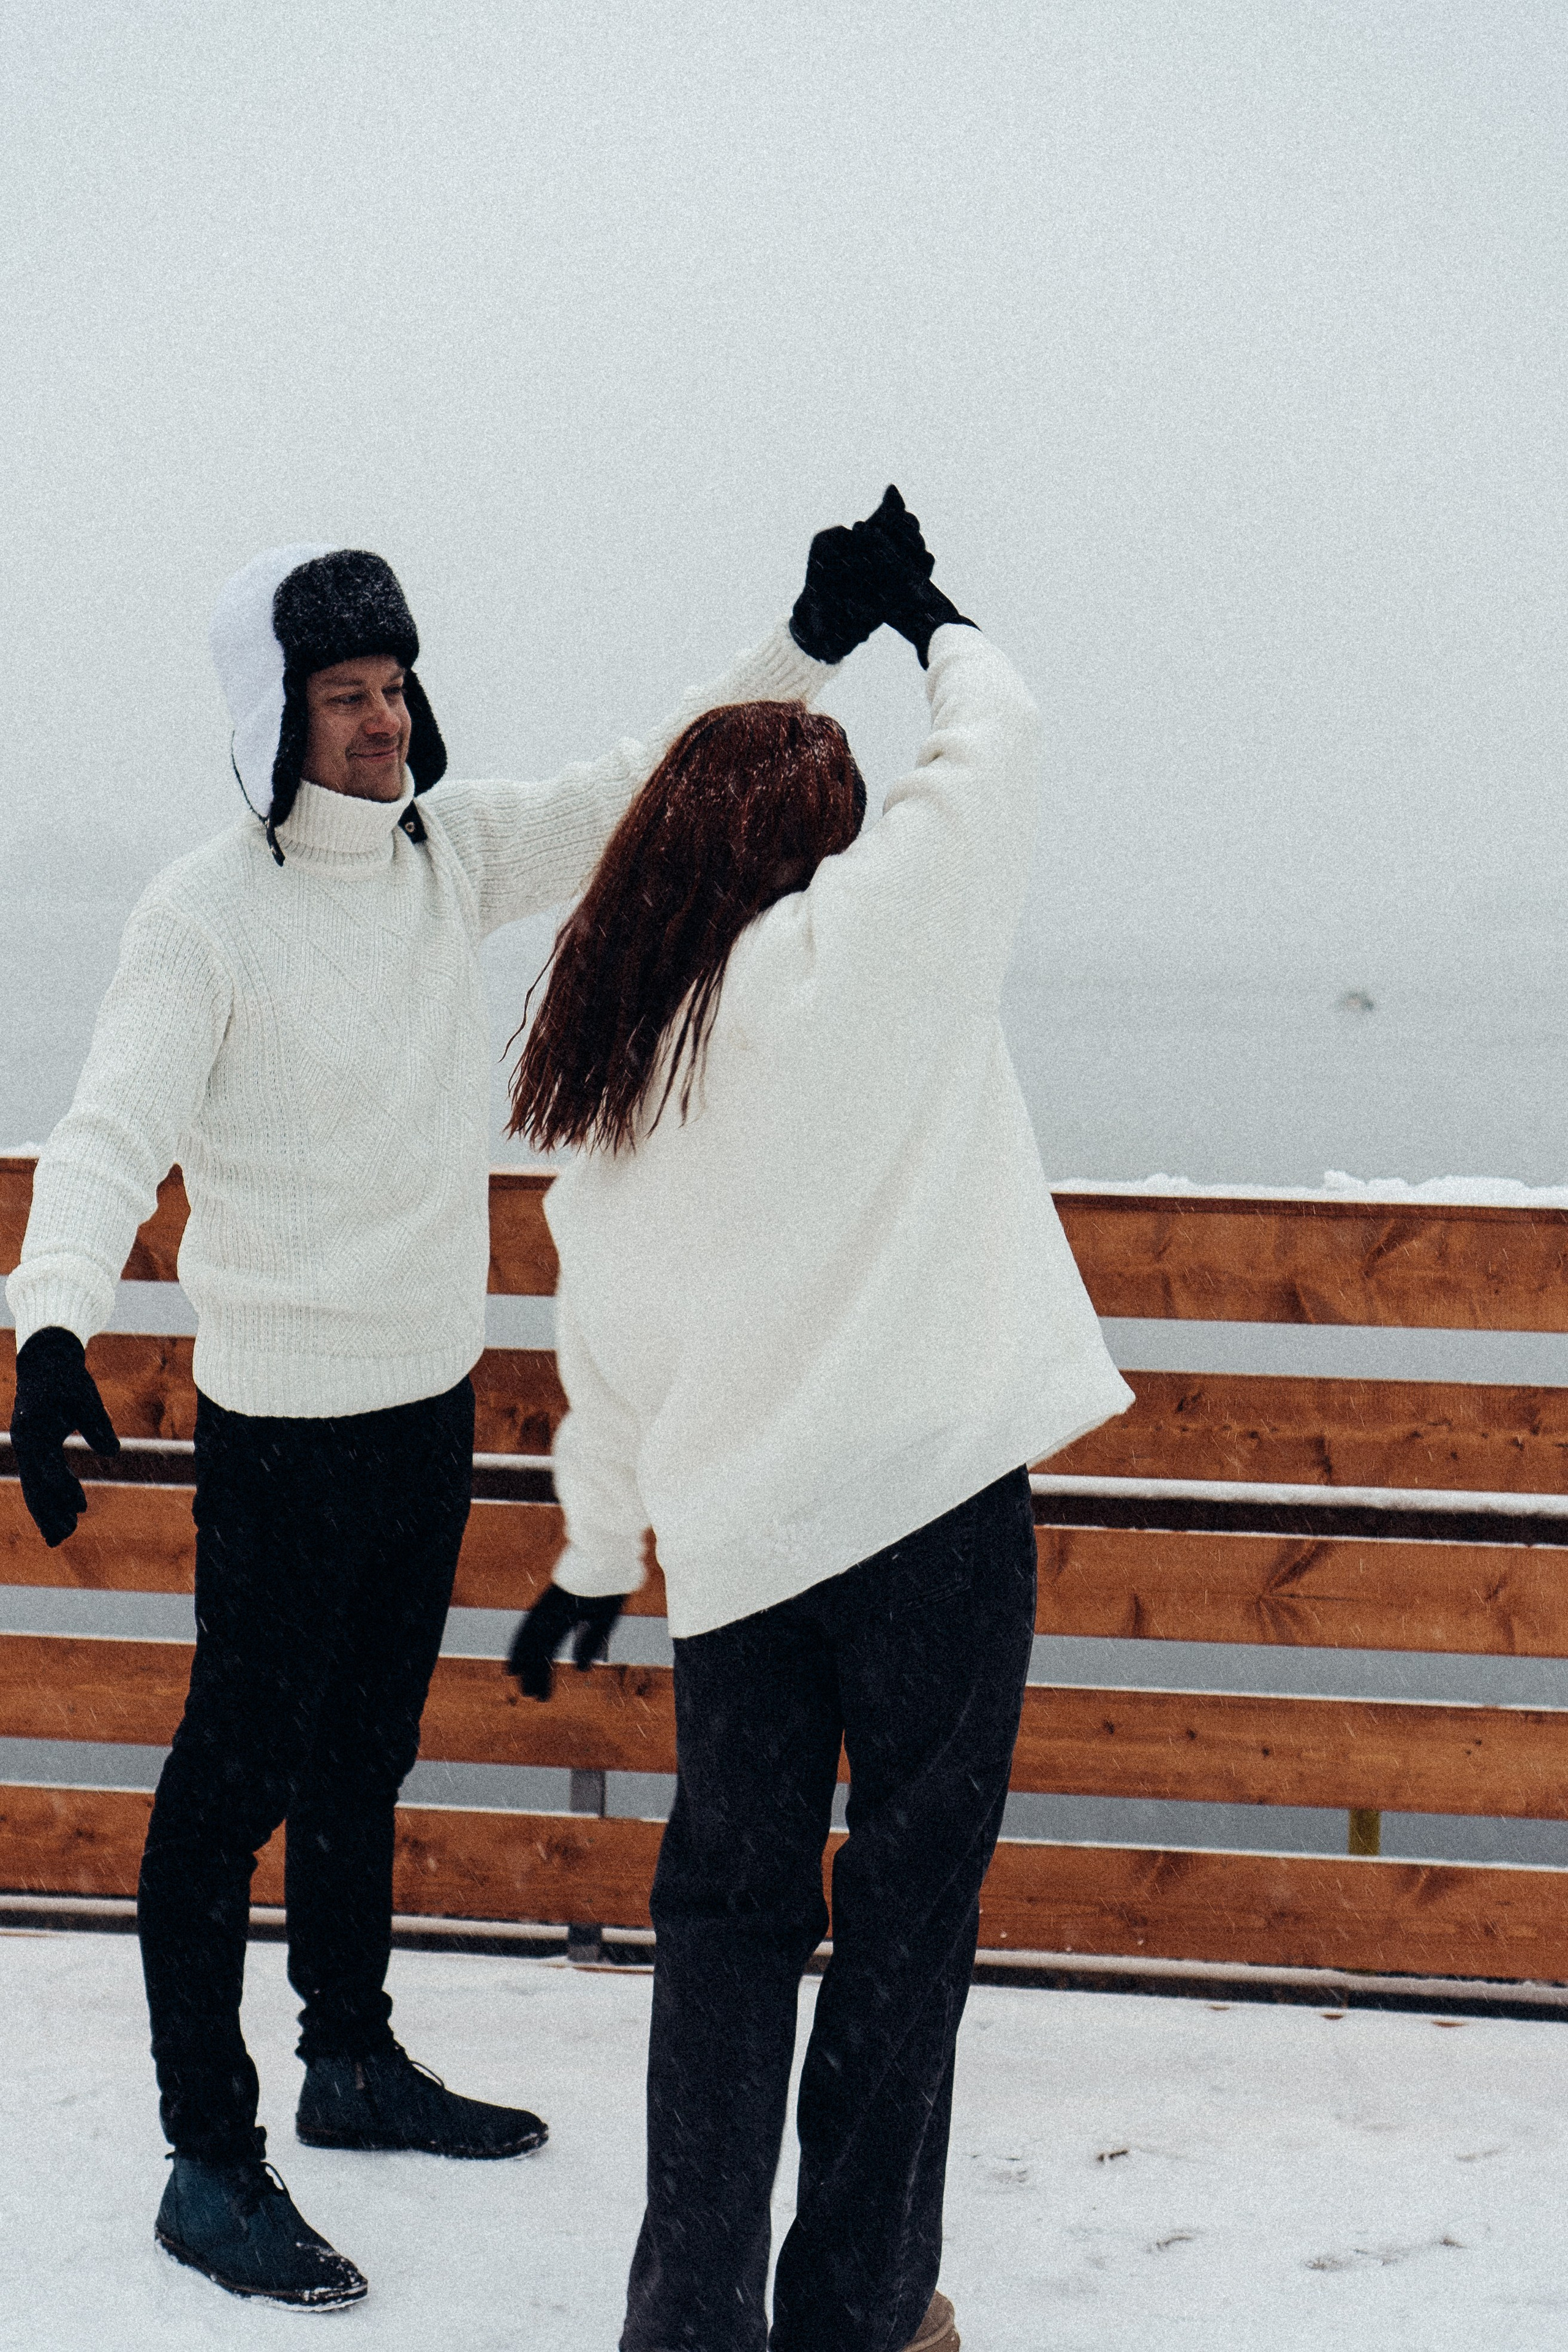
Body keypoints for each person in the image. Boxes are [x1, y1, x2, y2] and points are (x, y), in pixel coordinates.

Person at [6, 532, 848, 2309]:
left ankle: (350, 2061)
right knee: (227, 1790)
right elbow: (104, 1135)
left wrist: (810, 639)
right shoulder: (202, 917)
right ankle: (207, 2159)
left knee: (366, 1754)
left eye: (395, 687)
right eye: (344, 695)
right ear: (278, 718)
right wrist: (53, 1323)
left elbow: (648, 776)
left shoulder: (447, 861)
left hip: (421, 1413)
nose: (383, 721)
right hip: (281, 1429)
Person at [507, 488, 1134, 2352]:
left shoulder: (620, 1098)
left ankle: (686, 2320)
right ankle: (857, 2319)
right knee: (905, 1929)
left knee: (723, 1933)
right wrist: (929, 617)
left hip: (743, 1565)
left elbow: (604, 1358)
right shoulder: (874, 949)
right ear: (821, 840)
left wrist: (596, 1559)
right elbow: (1002, 738)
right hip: (933, 1520)